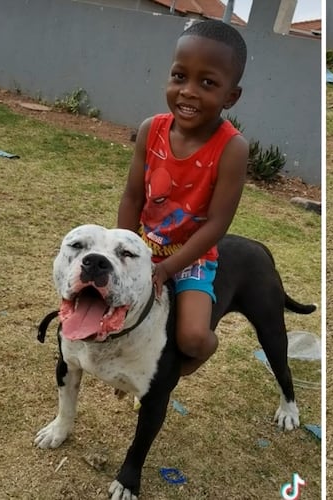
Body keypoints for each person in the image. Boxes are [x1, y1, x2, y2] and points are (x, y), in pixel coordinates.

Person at [117, 20, 250, 377]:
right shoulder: (152, 130)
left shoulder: (232, 148)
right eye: (179, 76)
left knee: (190, 337)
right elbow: (132, 196)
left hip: (191, 257)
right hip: (147, 245)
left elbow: (218, 224)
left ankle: (192, 359)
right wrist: (123, 251)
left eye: (207, 83)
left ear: (231, 96)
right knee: (114, 313)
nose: (188, 91)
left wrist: (167, 269)